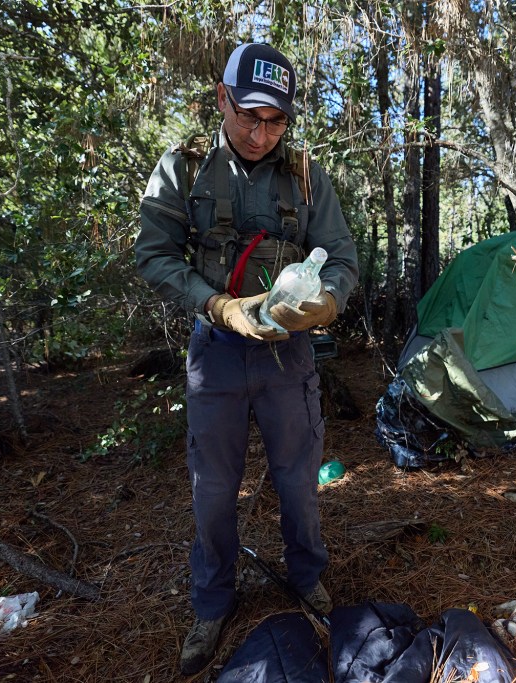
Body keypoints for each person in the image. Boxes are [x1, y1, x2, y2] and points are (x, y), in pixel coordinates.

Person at [134, 42, 358, 675]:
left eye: (276, 121)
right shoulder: (184, 169)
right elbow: (153, 255)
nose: (261, 134)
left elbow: (340, 258)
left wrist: (328, 303)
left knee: (299, 481)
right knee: (212, 491)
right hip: (217, 357)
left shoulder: (308, 176)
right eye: (249, 116)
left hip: (290, 357)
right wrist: (215, 306)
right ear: (222, 101)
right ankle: (212, 601)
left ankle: (307, 577)